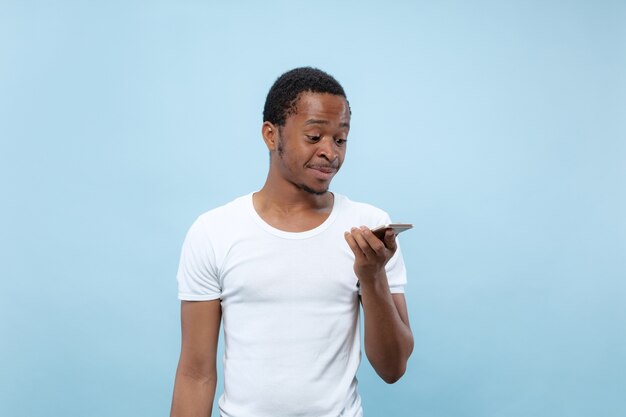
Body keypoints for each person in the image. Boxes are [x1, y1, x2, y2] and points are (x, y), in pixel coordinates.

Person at [170, 67, 414, 417]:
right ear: (271, 135)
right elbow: (195, 374)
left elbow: (393, 368)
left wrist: (372, 275)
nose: (330, 152)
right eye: (314, 137)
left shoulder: (369, 229)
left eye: (340, 139)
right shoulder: (214, 231)